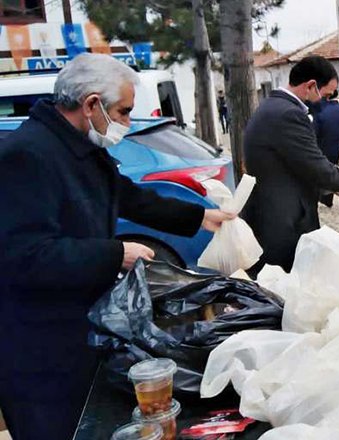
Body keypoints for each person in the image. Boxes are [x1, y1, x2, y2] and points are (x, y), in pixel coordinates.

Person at [0, 53, 236, 440]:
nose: (126, 123)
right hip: (40, 351)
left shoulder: (77, 146)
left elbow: (125, 195)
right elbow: (25, 257)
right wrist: (115, 253)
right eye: (123, 112)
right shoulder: (27, 156)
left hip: (83, 331)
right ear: (92, 104)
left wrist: (198, 217)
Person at [242, 56, 339, 274]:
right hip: (283, 222)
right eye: (327, 94)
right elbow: (313, 165)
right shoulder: (289, 114)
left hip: (269, 216)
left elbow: (292, 165)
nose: (326, 101)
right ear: (311, 86)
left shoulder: (271, 107)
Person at [312, 91, 339, 213]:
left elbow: (314, 134)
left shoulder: (320, 114)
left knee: (328, 176)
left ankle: (326, 199)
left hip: (326, 150)